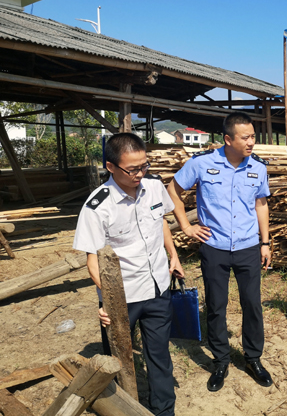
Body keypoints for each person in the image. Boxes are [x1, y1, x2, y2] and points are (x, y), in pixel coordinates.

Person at [73, 133, 184, 416]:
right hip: (123, 298)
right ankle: (121, 410)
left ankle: (164, 411)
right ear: (111, 167)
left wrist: (173, 255)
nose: (139, 173)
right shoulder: (97, 206)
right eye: (132, 169)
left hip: (158, 288)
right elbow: (93, 261)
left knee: (159, 356)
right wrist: (108, 301)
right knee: (119, 361)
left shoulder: (154, 186)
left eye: (144, 166)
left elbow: (160, 223)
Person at [167, 112, 272, 393]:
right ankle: (221, 360)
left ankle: (253, 359)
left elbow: (261, 203)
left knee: (252, 304)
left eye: (253, 136)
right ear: (228, 139)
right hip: (215, 247)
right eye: (245, 137)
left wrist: (265, 242)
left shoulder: (258, 168)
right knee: (216, 305)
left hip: (249, 246)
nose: (252, 142)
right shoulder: (202, 164)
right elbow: (173, 189)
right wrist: (186, 226)